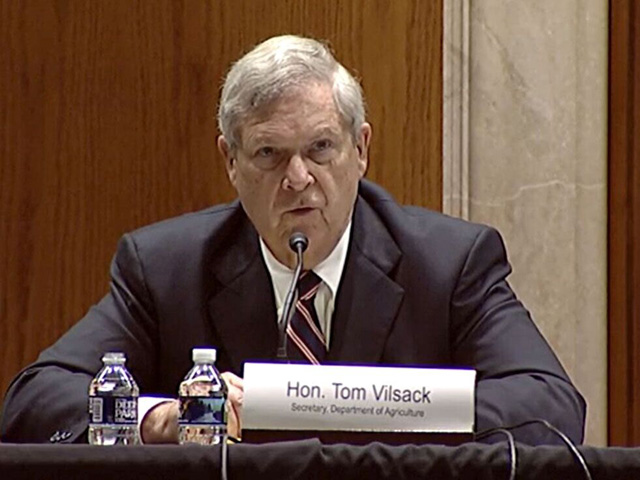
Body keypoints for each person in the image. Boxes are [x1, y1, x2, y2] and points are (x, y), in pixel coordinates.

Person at [0, 35, 585, 445]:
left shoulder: (450, 263)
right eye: (269, 154)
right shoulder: (164, 268)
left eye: (321, 148)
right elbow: (35, 401)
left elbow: (551, 407)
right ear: (230, 160)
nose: (299, 178)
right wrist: (161, 420)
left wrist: (357, 406)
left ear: (362, 150)